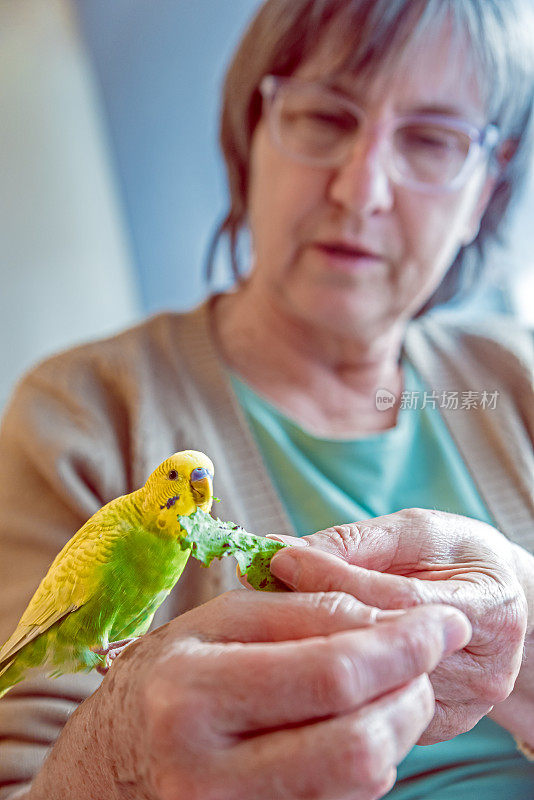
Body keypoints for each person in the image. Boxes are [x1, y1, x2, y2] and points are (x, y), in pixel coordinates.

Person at [1, 0, 533, 797]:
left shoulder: (516, 383)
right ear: (252, 132)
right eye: (325, 117)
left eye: (430, 139)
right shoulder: (85, 415)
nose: (362, 190)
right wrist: (119, 761)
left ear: (487, 188)